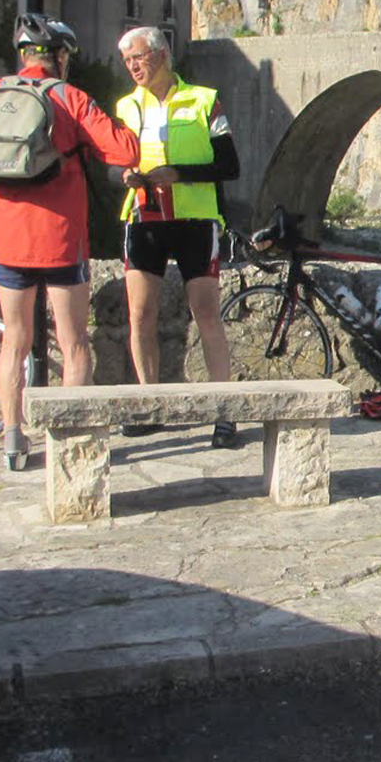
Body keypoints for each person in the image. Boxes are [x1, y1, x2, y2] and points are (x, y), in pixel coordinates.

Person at [0, 13, 140, 471]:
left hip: (8, 242)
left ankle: (12, 439)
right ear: (60, 56)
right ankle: (70, 442)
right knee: (74, 342)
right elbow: (126, 150)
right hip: (61, 240)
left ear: (22, 55)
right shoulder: (69, 98)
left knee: (15, 341)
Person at [112, 26, 242, 448]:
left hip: (195, 219)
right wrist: (125, 175)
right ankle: (150, 406)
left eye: (139, 57)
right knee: (140, 315)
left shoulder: (204, 100)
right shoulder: (126, 106)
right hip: (144, 217)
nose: (133, 66)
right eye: (127, 60)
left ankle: (223, 413)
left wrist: (179, 174)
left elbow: (230, 165)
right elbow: (113, 163)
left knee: (206, 313)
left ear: (162, 54)